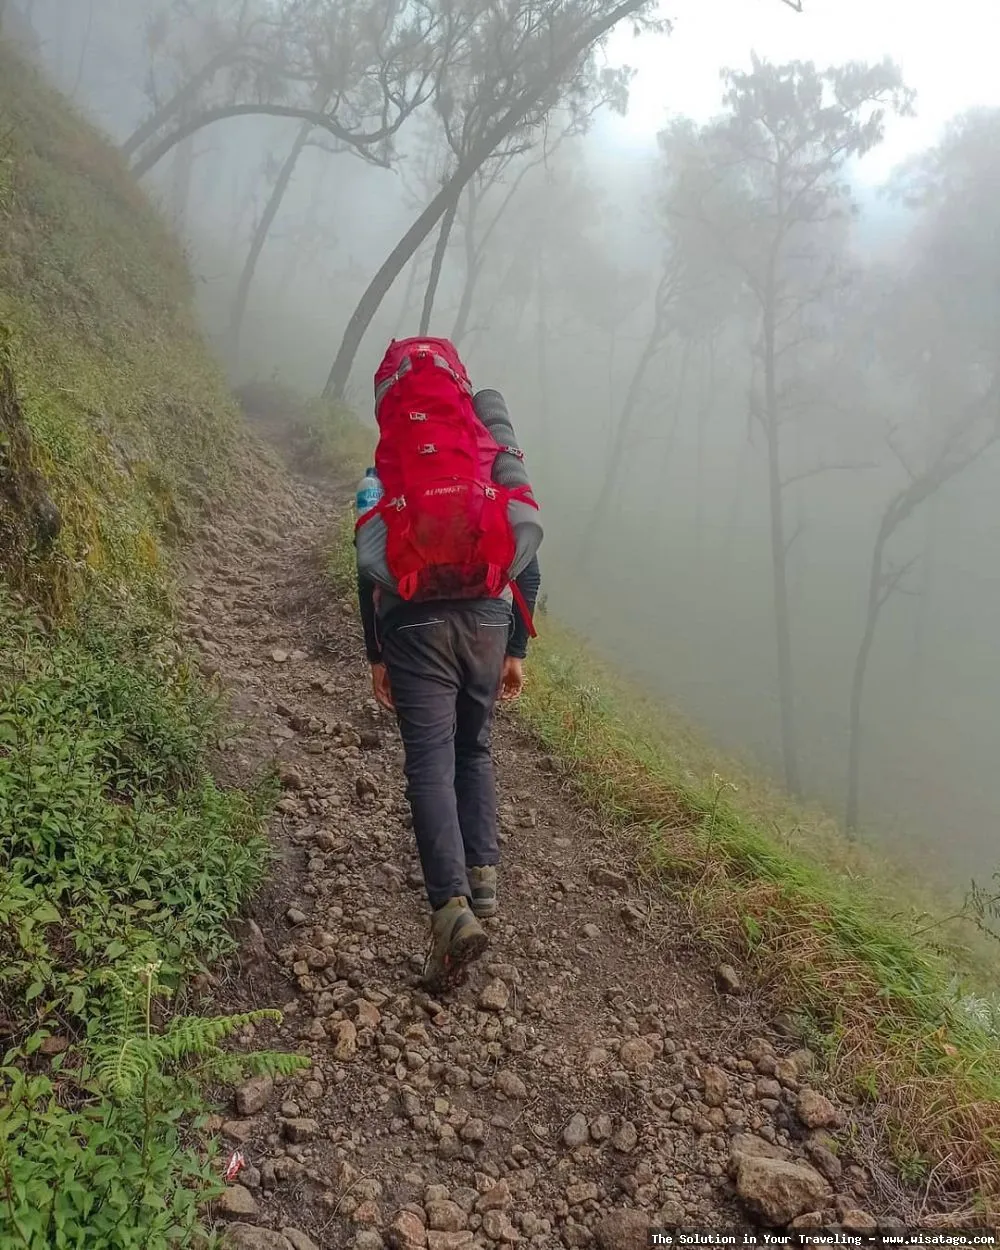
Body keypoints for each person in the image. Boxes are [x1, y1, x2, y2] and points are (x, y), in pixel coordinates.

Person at [355, 343, 542, 993]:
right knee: (474, 749)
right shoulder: (485, 451)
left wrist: (377, 653)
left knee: (429, 763)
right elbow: (527, 546)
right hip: (488, 619)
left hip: (414, 627)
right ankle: (482, 882)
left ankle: (450, 911)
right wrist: (515, 647)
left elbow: (366, 563)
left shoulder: (390, 464)